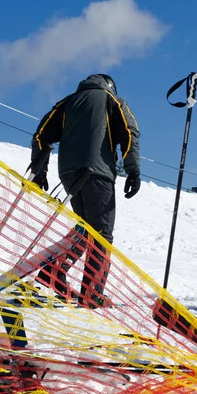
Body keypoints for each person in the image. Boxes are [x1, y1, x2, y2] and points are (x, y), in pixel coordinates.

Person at [30, 73, 141, 308]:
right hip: (98, 173)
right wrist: (133, 171)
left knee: (85, 228)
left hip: (69, 174)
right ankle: (92, 294)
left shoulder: (67, 103)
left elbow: (41, 136)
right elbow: (130, 134)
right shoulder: (114, 101)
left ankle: (53, 271)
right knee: (101, 234)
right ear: (111, 86)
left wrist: (40, 171)